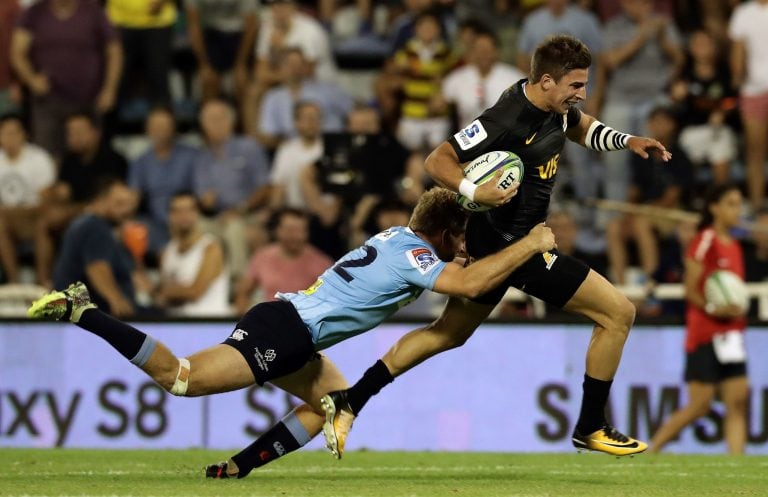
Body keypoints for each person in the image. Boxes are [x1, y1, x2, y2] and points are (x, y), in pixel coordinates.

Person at [27, 187, 557, 478]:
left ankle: (237, 469)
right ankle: (82, 311)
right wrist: (529, 244)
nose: (462, 247)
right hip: (285, 331)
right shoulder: (417, 252)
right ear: (443, 233)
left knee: (331, 404)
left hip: (295, 329)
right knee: (181, 379)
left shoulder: (396, 236)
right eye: (459, 238)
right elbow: (466, 284)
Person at [318, 34, 672, 459]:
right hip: (519, 247)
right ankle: (590, 426)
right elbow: (436, 160)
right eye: (576, 85)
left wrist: (626, 141)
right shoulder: (505, 117)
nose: (583, 94)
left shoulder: (555, 108)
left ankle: (350, 400)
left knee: (447, 334)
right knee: (618, 313)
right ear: (546, 81)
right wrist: (474, 190)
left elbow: (578, 126)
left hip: (500, 243)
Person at [649, 184, 749, 454]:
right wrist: (715, 308)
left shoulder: (736, 246)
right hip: (705, 332)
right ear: (714, 208)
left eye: (739, 204)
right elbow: (691, 289)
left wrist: (736, 309)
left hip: (732, 334)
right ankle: (651, 451)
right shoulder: (705, 239)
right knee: (700, 405)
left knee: (738, 401)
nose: (736, 210)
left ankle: (737, 465)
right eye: (730, 203)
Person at [11, 0, 122, 156]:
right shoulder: (34, 13)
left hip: (89, 100)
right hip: (48, 102)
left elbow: (114, 50)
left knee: (91, 156)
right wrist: (31, 79)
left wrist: (110, 89)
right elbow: (17, 52)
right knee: (46, 157)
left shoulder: (93, 12)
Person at [52, 177, 138, 318]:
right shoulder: (95, 227)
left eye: (128, 204)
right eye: (119, 204)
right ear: (99, 201)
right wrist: (118, 301)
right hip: (91, 318)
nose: (125, 210)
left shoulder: (84, 224)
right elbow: (97, 268)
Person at [234, 208, 332, 315]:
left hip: (305, 326)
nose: (296, 236)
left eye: (301, 230)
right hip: (269, 322)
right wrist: (243, 321)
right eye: (290, 230)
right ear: (278, 230)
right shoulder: (262, 257)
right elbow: (243, 292)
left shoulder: (322, 263)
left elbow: (332, 302)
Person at [128, 106, 197, 257]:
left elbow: (200, 190)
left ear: (173, 128)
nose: (160, 130)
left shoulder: (191, 155)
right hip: (155, 221)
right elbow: (133, 196)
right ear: (147, 129)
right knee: (133, 228)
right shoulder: (141, 161)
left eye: (164, 126)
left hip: (186, 214)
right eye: (155, 126)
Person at [0, 114, 56, 284]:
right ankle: (14, 283)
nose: (10, 137)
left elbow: (46, 199)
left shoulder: (39, 158)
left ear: (24, 134)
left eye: (14, 132)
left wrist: (19, 212)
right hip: (5, 218)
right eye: (5, 133)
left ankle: (42, 281)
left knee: (43, 221)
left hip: (33, 216)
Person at [156, 192, 229, 317]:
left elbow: (195, 291)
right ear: (170, 215)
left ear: (197, 213)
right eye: (178, 211)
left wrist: (167, 292)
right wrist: (173, 291)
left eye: (189, 210)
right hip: (175, 326)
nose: (184, 216)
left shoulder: (211, 247)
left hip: (208, 324)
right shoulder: (166, 252)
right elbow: (162, 298)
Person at [729, 0, 768, 212]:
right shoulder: (744, 13)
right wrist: (737, 76)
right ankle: (756, 205)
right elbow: (738, 50)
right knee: (755, 152)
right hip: (753, 90)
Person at [185, 0, 258, 105]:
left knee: (243, 84)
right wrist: (204, 65)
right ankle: (210, 118)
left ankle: (245, 121)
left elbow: (251, 25)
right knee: (208, 81)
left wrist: (240, 65)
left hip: (240, 35)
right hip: (211, 33)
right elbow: (193, 26)